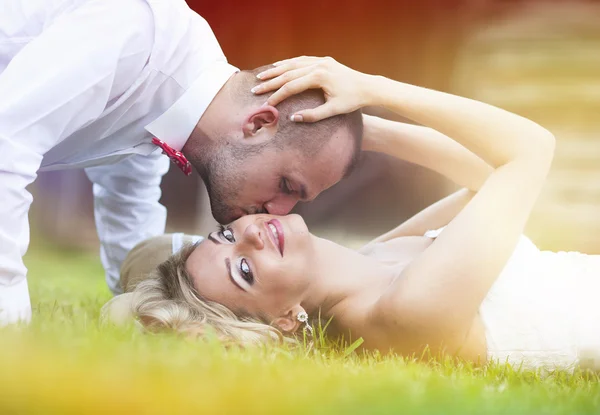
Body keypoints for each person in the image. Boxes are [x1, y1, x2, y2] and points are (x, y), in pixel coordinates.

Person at [105, 58, 600, 371]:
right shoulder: (403, 314)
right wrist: (372, 88)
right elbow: (530, 152)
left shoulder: (369, 261)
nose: (250, 234)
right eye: (246, 271)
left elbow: (482, 181)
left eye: (223, 238)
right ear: (283, 322)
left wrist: (353, 132)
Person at [0, 1, 364, 325]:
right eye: (287, 186)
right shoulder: (135, 35)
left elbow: (128, 194)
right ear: (258, 124)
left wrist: (154, 299)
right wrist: (9, 312)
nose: (280, 212)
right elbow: (6, 141)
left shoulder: (181, 85)